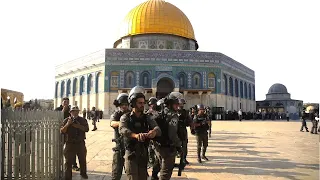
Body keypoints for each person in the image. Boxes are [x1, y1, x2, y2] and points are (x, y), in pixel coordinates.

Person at [119, 86, 161, 180]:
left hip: (143, 153)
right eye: (140, 103)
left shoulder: (147, 117)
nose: (142, 105)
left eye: (143, 103)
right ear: (133, 104)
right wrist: (135, 135)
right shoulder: (125, 117)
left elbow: (157, 128)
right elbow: (122, 129)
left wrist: (153, 132)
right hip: (131, 153)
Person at [151, 92, 182, 180]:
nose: (178, 106)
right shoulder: (173, 116)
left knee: (160, 166)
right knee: (165, 173)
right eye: (176, 104)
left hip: (159, 146)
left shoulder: (161, 113)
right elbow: (172, 134)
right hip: (168, 148)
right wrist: (179, 145)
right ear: (170, 104)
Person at [60, 105, 89, 180]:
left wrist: (77, 126)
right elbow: (62, 131)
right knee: (68, 162)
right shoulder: (66, 120)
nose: (75, 113)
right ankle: (68, 177)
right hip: (70, 144)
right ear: (70, 112)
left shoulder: (82, 120)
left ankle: (83, 174)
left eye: (76, 111)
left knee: (82, 160)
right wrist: (68, 124)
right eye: (73, 111)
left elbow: (86, 129)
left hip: (80, 143)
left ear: (78, 112)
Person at [55, 97, 80, 171]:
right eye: (64, 102)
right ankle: (59, 165)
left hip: (69, 133)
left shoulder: (70, 110)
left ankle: (74, 164)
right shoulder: (58, 109)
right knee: (60, 149)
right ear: (62, 102)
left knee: (72, 148)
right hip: (61, 132)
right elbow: (57, 119)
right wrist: (63, 110)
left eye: (67, 102)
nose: (66, 103)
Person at [110, 93, 130, 180]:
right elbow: (112, 123)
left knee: (131, 171)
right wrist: (123, 123)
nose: (124, 106)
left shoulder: (131, 114)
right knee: (116, 171)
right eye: (122, 105)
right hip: (119, 145)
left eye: (126, 104)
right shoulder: (117, 114)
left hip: (130, 146)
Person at [177, 98, 192, 165]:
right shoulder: (174, 111)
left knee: (184, 146)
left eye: (182, 104)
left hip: (183, 130)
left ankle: (184, 159)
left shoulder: (185, 112)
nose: (181, 105)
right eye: (180, 104)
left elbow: (189, 122)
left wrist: (186, 121)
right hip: (176, 131)